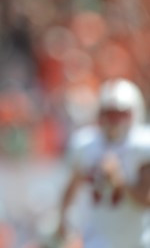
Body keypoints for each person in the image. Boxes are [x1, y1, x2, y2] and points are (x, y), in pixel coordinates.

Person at [57, 78, 150, 248]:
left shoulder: (143, 145)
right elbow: (72, 186)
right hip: (98, 239)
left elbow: (146, 199)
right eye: (109, 113)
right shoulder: (85, 144)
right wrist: (63, 220)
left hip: (136, 240)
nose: (114, 120)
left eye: (120, 114)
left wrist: (120, 180)